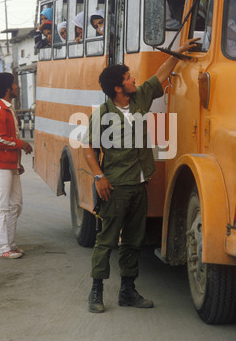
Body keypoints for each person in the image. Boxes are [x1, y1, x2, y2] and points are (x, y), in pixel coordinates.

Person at [82, 38, 198, 313]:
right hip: (115, 187)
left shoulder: (139, 99)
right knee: (107, 240)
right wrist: (99, 178)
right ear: (117, 88)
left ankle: (128, 291)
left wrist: (176, 55)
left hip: (138, 184)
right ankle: (95, 292)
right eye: (128, 78)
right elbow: (87, 147)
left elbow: (159, 77)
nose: (134, 80)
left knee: (133, 240)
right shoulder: (103, 114)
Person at [0, 73, 33, 259]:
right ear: (7, 88)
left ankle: (10, 245)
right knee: (3, 206)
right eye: (14, 83)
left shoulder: (7, 108)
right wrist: (22, 144)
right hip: (1, 165)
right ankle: (1, 248)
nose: (17, 86)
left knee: (16, 205)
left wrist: (17, 163)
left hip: (10, 164)